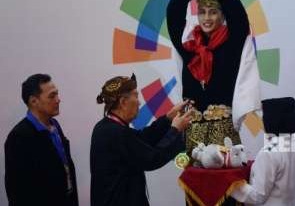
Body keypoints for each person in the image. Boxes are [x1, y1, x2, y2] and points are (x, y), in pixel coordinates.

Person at [167, 0, 250, 155]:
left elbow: (239, 16)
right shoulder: (189, 46)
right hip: (193, 133)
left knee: (227, 187)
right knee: (193, 184)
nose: (206, 18)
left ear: (222, 16)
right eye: (202, 12)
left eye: (213, 12)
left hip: (224, 133)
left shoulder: (231, 44)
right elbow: (173, 15)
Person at [90, 74, 193, 206]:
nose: (139, 102)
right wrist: (175, 131)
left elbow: (142, 138)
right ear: (123, 102)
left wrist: (168, 118)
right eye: (135, 96)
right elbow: (151, 159)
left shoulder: (105, 127)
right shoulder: (116, 133)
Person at [4, 74, 79, 206]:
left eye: (57, 94)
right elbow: (18, 192)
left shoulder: (55, 125)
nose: (58, 100)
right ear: (33, 101)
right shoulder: (19, 137)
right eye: (52, 96)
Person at [231, 97, 295, 206]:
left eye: (265, 116)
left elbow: (257, 197)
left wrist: (231, 184)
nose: (262, 120)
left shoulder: (268, 153)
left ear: (272, 120)